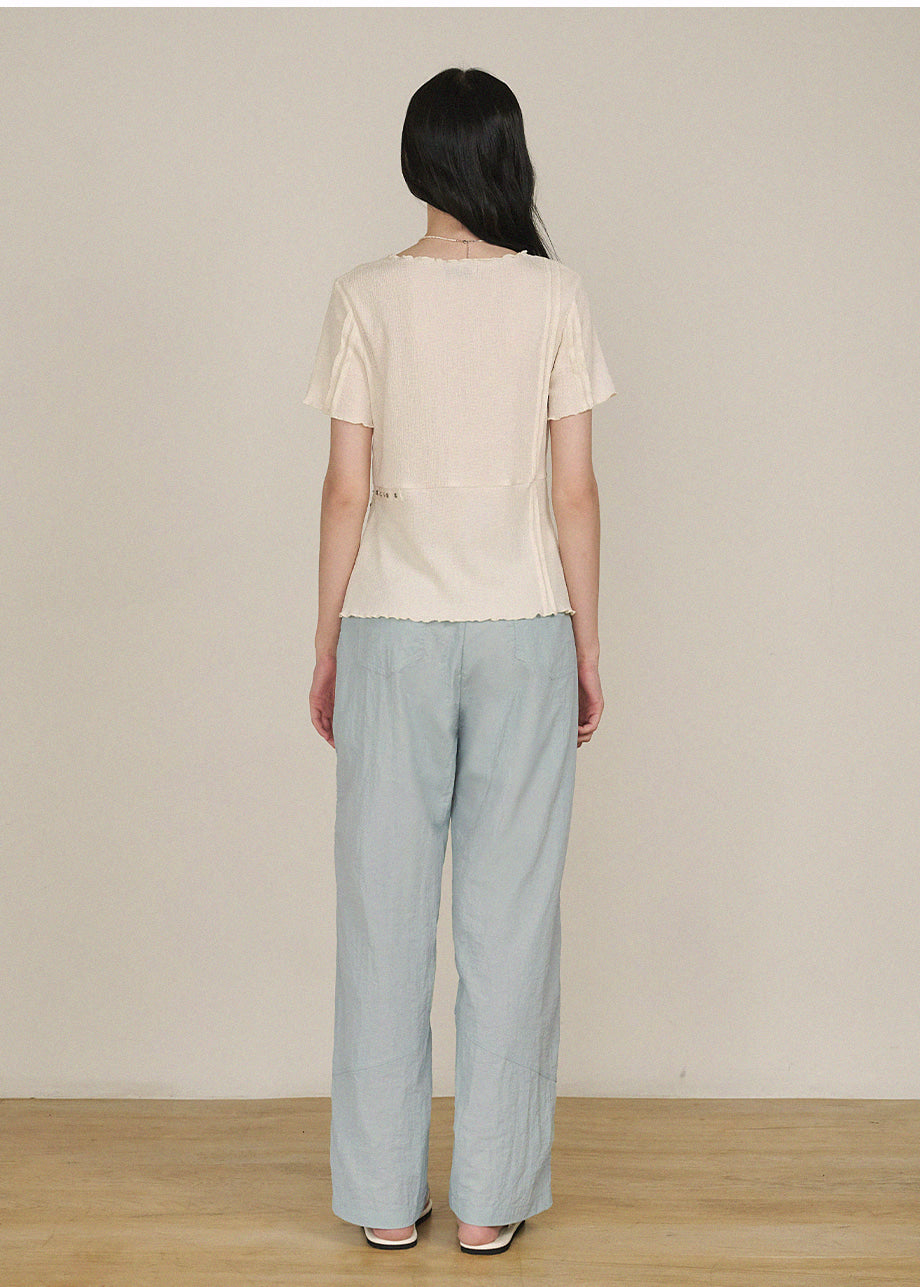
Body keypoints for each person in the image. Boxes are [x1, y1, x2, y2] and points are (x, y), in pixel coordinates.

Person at [304, 66, 616, 1257]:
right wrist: (585, 642)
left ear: (415, 160)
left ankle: (385, 1199)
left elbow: (345, 487)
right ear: (504, 158)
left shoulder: (363, 295)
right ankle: (489, 1199)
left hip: (390, 627)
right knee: (510, 918)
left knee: (381, 916)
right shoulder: (554, 294)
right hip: (523, 624)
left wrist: (326, 640)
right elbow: (573, 490)